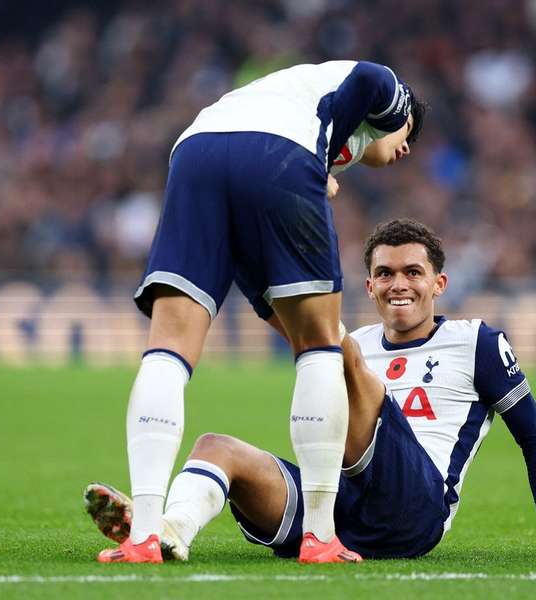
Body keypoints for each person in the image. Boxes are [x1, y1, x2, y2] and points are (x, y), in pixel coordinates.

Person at [86, 219, 536, 562]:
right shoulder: (354, 341)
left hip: (414, 513)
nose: (399, 283)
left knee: (338, 353)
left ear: (439, 284)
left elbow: (535, 439)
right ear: (370, 286)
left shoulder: (475, 342)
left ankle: (264, 266)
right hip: (332, 505)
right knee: (215, 447)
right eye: (385, 273)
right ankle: (169, 530)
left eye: (413, 272)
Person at [103, 61, 427, 564]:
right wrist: (323, 164)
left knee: (167, 346)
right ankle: (320, 537)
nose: (407, 147)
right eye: (410, 132)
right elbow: (370, 78)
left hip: (195, 149)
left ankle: (144, 535)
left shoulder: (298, 96)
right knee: (320, 346)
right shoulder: (373, 100)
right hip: (280, 151)